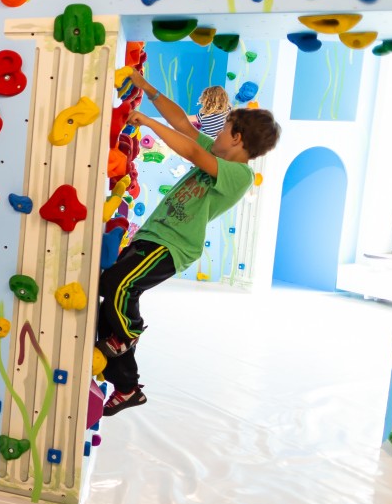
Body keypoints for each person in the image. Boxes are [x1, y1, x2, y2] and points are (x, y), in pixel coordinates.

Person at [97, 71, 280, 417]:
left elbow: (193, 151)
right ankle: (127, 388)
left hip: (172, 246)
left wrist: (148, 122)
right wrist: (148, 89)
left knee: (117, 286)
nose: (217, 133)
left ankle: (131, 330)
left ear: (238, 139)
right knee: (109, 312)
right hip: (153, 235)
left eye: (224, 129)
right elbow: (182, 122)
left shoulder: (237, 175)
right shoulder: (220, 153)